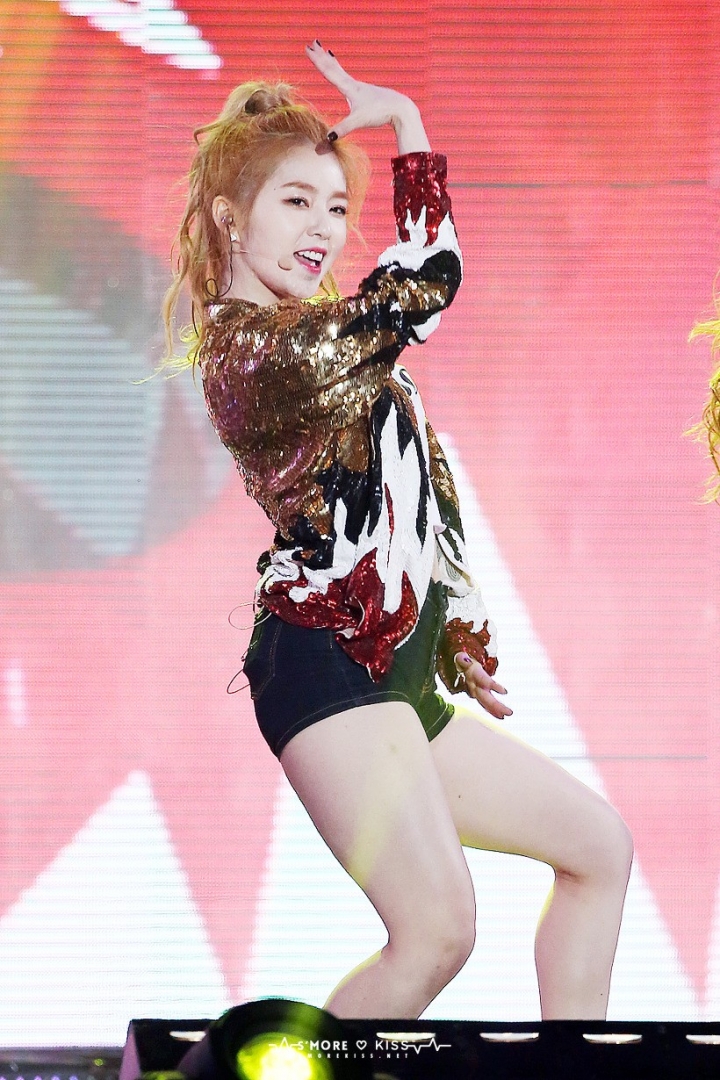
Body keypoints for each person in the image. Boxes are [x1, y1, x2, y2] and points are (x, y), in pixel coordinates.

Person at [163, 41, 633, 1021]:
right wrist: (411, 129)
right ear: (230, 215)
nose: (322, 229)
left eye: (337, 208)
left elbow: (411, 492)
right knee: (437, 933)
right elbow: (424, 283)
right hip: (324, 660)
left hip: (390, 667)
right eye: (297, 201)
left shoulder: (327, 339)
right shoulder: (254, 350)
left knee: (599, 849)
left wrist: (450, 629)